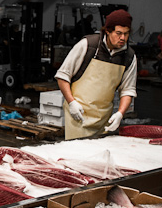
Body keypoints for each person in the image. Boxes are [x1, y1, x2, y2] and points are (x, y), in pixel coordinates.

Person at [55, 9, 137, 140]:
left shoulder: (129, 57)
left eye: (126, 34)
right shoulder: (88, 45)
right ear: (108, 31)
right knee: (76, 156)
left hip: (103, 119)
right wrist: (71, 103)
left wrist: (120, 114)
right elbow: (63, 76)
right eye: (119, 33)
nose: (123, 38)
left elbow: (128, 90)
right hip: (78, 115)